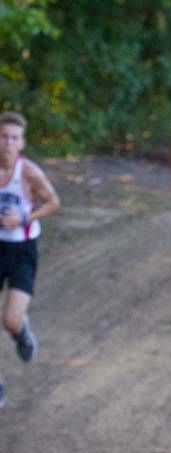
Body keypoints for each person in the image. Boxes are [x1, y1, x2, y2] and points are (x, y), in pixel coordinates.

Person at [0, 111, 60, 408]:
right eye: (3, 136)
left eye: (13, 138)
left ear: (21, 143)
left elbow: (53, 202)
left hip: (23, 250)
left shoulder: (29, 173)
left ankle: (21, 332)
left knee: (9, 319)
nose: (7, 143)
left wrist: (24, 216)